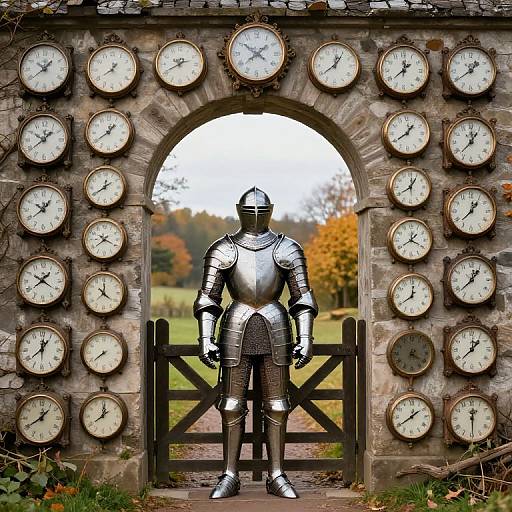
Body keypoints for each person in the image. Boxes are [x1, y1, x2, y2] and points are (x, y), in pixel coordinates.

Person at [193, 187, 318, 499]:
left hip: (276, 327)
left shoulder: (287, 248)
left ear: (272, 209)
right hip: (235, 327)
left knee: (277, 405)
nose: (257, 215)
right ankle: (229, 475)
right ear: (238, 209)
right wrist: (205, 337)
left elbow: (302, 297)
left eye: (263, 209)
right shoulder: (223, 248)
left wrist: (305, 336)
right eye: (250, 209)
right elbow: (208, 298)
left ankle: (276, 474)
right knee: (231, 405)